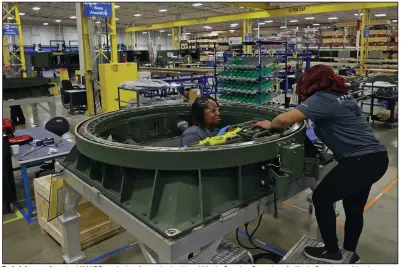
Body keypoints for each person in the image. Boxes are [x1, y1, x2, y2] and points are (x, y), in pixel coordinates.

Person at [256, 65, 388, 264]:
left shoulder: (321, 98)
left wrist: (270, 125)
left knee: (321, 198)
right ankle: (349, 253)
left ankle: (332, 252)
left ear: (310, 83)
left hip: (359, 161)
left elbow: (284, 120)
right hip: (376, 158)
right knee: (353, 208)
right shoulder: (344, 96)